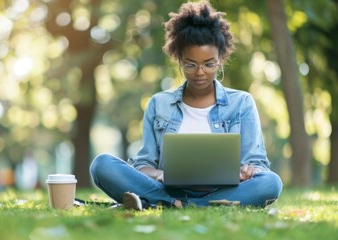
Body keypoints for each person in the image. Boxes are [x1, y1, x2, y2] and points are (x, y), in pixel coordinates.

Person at [90, 0, 283, 210]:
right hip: (166, 189)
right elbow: (143, 166)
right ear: (179, 59)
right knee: (102, 165)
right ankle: (181, 202)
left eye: (209, 64)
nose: (200, 72)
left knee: (271, 182)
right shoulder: (159, 104)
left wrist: (248, 171)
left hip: (223, 191)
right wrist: (159, 174)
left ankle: (173, 205)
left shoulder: (242, 103)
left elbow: (258, 165)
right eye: (191, 64)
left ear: (221, 60)